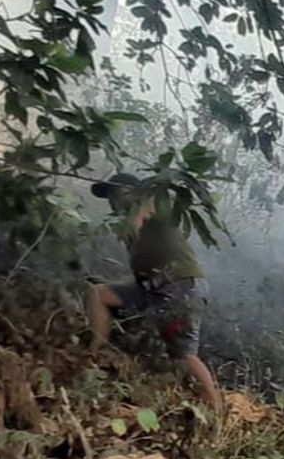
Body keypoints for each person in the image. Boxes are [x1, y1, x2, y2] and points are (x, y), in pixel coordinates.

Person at [85, 173, 221, 413]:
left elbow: (146, 208)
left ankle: (216, 408)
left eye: (117, 193)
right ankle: (96, 353)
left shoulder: (149, 203)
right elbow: (141, 272)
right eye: (109, 197)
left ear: (132, 192)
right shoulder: (128, 228)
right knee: (99, 293)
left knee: (183, 353)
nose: (113, 201)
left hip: (182, 285)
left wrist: (136, 214)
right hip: (155, 288)